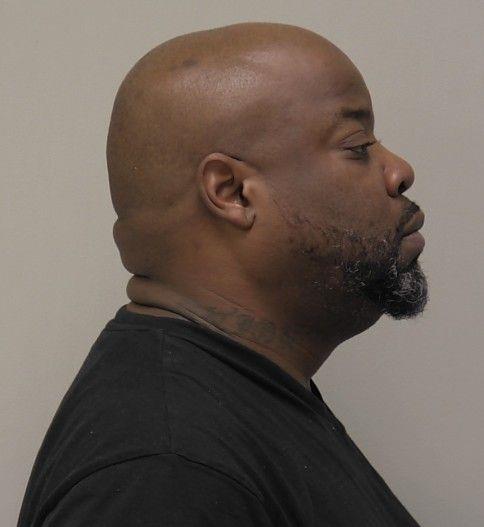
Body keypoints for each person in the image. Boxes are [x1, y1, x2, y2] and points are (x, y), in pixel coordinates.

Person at [17, 21, 427, 526]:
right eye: (358, 145)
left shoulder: (230, 406)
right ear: (232, 192)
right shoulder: (167, 473)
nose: (399, 170)